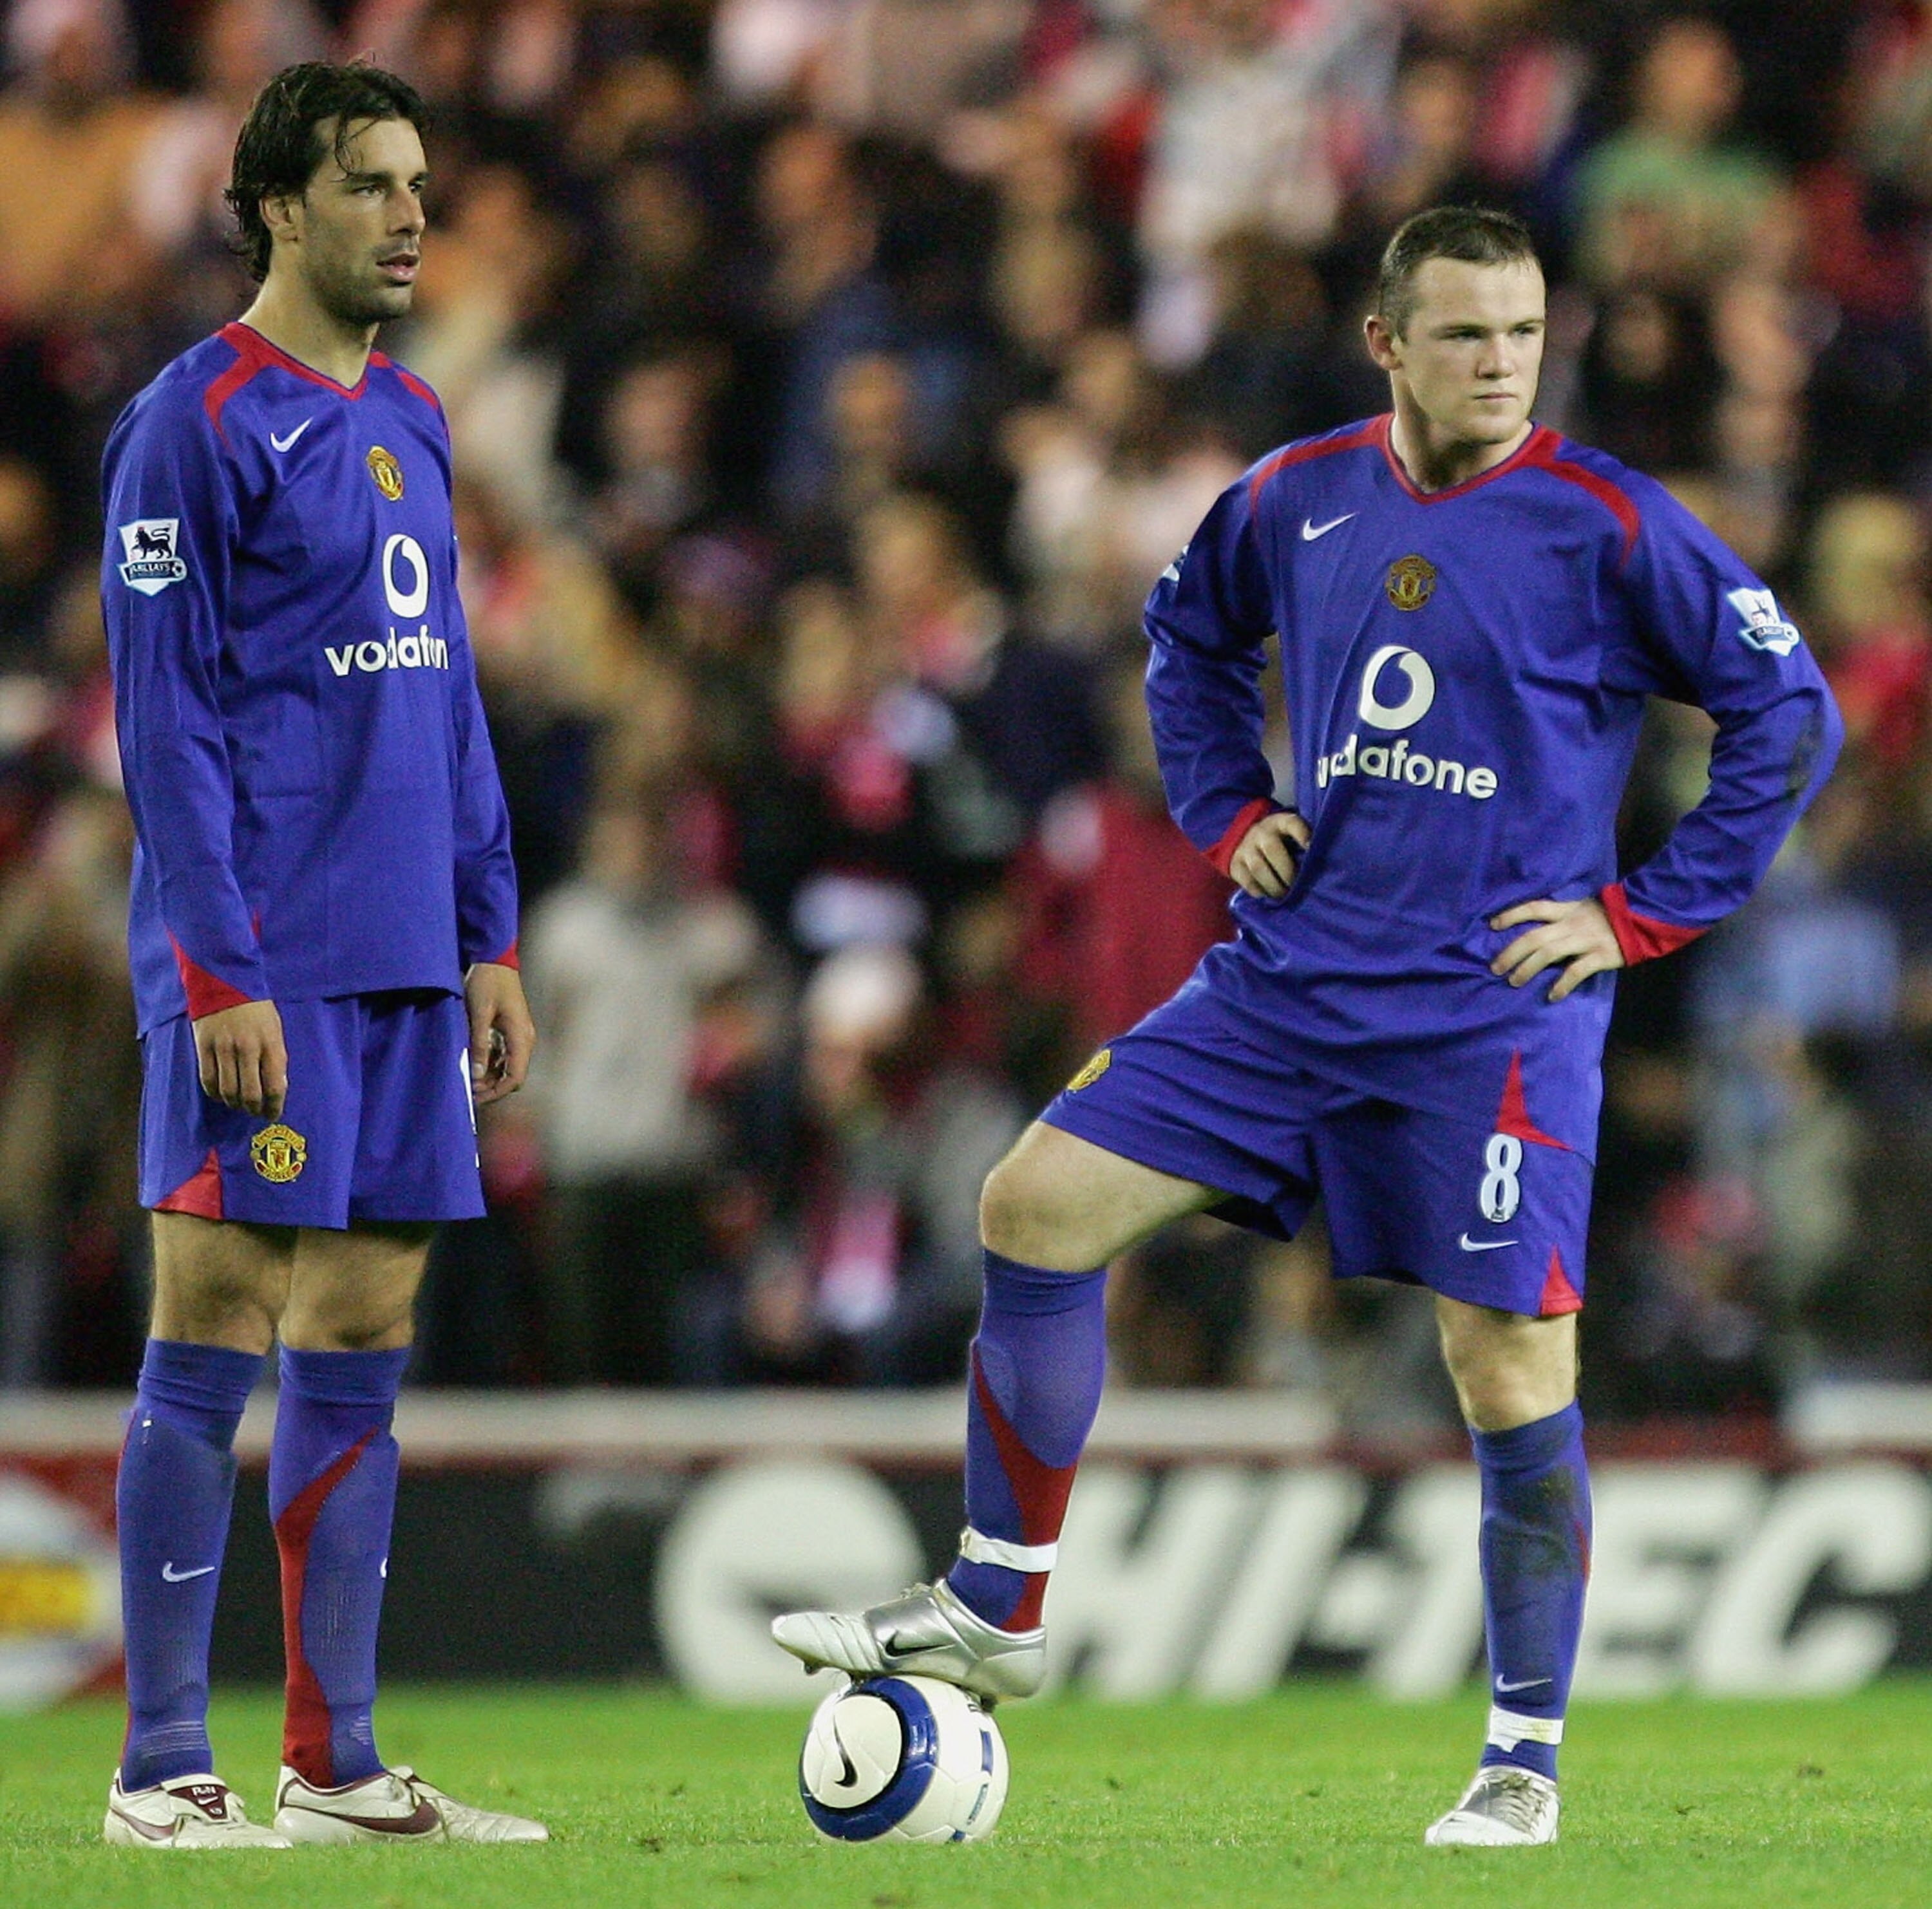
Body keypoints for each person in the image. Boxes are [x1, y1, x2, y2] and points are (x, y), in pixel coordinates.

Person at [773, 205, 1842, 1847]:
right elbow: (1186, 636)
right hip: (1286, 980)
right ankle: (1001, 1603)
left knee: (1503, 1365)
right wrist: (1224, 807)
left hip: (1488, 1012)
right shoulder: (1294, 497)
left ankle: (1523, 1759)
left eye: (1524, 333)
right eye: (1468, 333)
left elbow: (1790, 710)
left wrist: (1637, 916)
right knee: (1031, 1204)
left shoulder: (1612, 523)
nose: (1501, 363)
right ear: (1389, 343)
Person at [99, 62, 541, 1849]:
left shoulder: (418, 416)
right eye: (372, 184)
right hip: (260, 952)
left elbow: (448, 694)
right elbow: (166, 717)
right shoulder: (190, 421)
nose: (411, 213)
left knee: (364, 1320)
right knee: (213, 1317)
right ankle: (155, 1766)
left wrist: (488, 929)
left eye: (418, 182)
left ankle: (335, 1760)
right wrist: (218, 968)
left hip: (405, 961)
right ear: (281, 202)